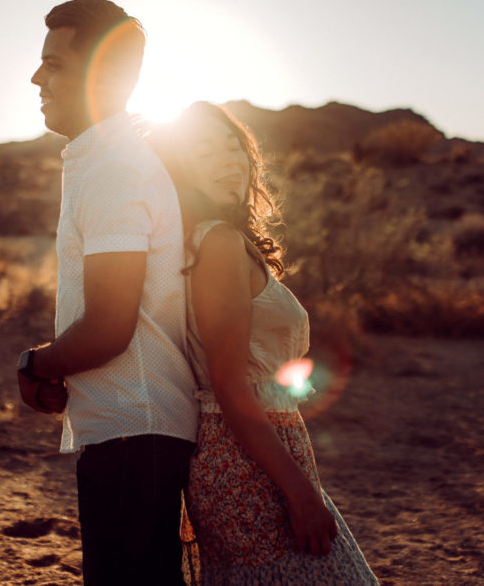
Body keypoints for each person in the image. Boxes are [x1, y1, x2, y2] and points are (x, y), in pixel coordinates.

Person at [149, 102, 378, 584]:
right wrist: (300, 492)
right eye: (204, 150)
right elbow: (229, 385)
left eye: (232, 145)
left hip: (257, 449)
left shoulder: (220, 240)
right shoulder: (218, 244)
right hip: (243, 459)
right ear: (181, 169)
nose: (227, 159)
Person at [17, 0, 199, 586]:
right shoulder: (104, 160)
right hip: (133, 429)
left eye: (56, 64)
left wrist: (36, 363)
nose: (37, 77)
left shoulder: (114, 169)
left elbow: (110, 326)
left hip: (133, 430)